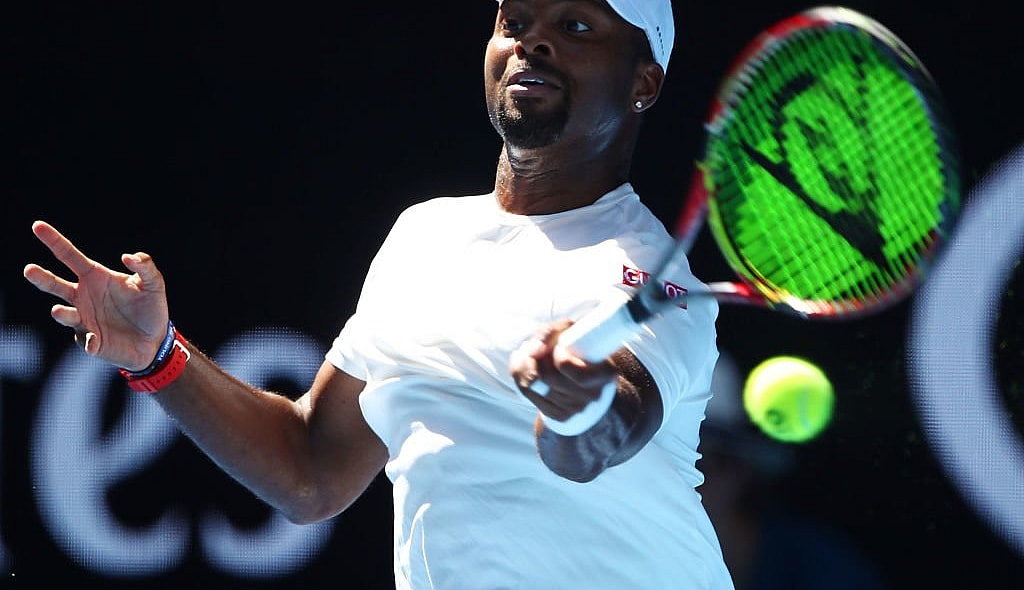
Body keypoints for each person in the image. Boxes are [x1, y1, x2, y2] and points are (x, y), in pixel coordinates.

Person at [23, 0, 732, 588]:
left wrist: (581, 410)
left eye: (577, 26)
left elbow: (601, 440)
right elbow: (310, 471)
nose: (533, 41)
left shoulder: (652, 281)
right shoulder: (423, 236)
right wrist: (156, 354)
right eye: (515, 21)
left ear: (643, 81)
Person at [698, 353, 890, 590]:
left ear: (739, 471)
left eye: (696, 467)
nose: (669, 489)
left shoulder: (824, 571)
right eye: (642, 472)